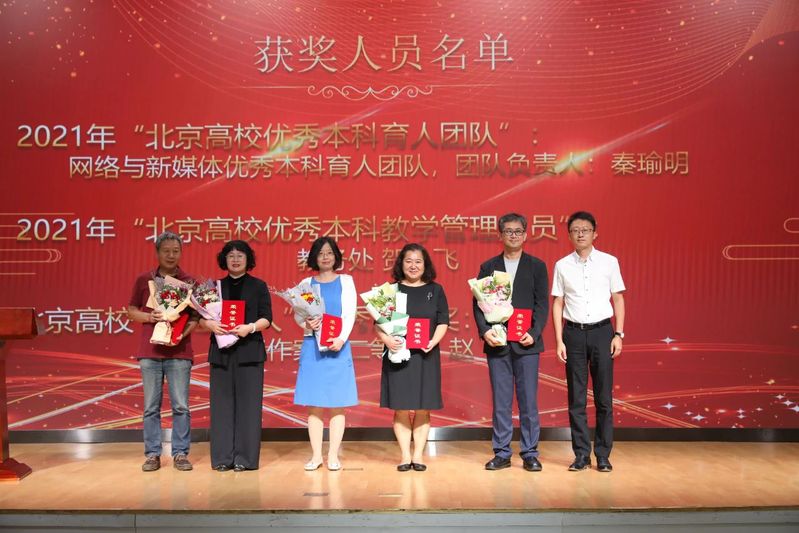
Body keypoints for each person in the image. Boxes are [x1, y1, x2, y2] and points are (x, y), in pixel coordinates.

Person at [473, 213, 549, 472]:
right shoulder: (488, 266)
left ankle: (530, 453)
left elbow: (542, 304)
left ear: (525, 235)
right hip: (498, 343)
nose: (513, 235)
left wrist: (534, 332)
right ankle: (502, 452)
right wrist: (485, 331)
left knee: (529, 402)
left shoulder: (537, 266)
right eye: (508, 231)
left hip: (527, 343)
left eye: (518, 231)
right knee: (501, 401)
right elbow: (478, 303)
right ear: (500, 235)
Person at [552, 211, 625, 473]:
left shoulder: (609, 262)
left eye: (585, 229)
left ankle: (603, 455)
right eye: (575, 230)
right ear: (569, 235)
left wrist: (619, 334)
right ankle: (581, 455)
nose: (580, 234)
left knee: (604, 398)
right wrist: (559, 340)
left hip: (603, 332)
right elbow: (558, 303)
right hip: (573, 334)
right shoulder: (562, 265)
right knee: (577, 398)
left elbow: (618, 298)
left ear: (595, 233)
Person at [127, 231, 198, 472]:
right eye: (166, 251)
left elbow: (195, 318)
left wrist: (180, 334)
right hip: (150, 352)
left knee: (181, 406)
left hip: (179, 353)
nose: (171, 255)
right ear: (157, 253)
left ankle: (180, 453)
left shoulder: (189, 283)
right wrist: (151, 317)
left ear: (181, 253)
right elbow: (131, 311)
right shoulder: (144, 280)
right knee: (151, 407)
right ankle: (152, 454)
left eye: (175, 251)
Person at [200, 240, 272, 472]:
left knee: (249, 407)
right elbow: (200, 318)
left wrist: (250, 327)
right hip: (221, 353)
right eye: (231, 255)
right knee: (221, 406)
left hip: (250, 351)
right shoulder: (213, 287)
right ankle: (222, 458)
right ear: (224, 260)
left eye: (240, 255)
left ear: (248, 259)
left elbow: (267, 318)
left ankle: (245, 459)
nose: (235, 259)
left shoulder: (258, 286)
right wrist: (209, 324)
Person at [377, 243, 449, 472]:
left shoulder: (435, 290)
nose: (413, 265)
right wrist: (387, 340)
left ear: (425, 265)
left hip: (426, 356)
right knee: (400, 408)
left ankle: (418, 455)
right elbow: (378, 324)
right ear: (401, 263)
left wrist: (433, 341)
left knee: (423, 408)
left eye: (418, 261)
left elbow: (443, 321)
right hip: (398, 355)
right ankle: (405, 455)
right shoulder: (391, 291)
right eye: (408, 261)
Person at [293, 237, 358, 472]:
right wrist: (306, 324)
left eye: (329, 253)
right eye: (320, 253)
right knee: (314, 404)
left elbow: (350, 314)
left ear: (336, 256)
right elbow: (298, 315)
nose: (325, 257)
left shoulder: (346, 281)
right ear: (314, 257)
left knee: (338, 404)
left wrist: (341, 339)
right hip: (313, 347)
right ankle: (315, 455)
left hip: (338, 346)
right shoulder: (306, 283)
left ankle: (333, 455)